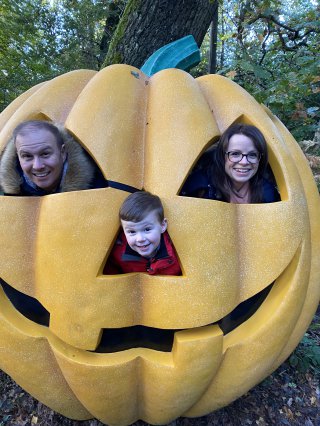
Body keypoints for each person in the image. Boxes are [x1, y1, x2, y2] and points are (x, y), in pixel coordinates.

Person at [0, 120, 106, 196]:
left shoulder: (99, 187)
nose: (37, 166)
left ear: (63, 153)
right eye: (27, 156)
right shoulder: (12, 196)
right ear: (18, 158)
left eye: (45, 154)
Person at [180, 123, 280, 203]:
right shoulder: (198, 188)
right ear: (223, 156)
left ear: (260, 159)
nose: (244, 162)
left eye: (252, 155)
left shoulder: (269, 194)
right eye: (235, 154)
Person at [104, 191, 181, 275]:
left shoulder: (177, 253)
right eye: (132, 231)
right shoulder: (118, 254)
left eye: (147, 229)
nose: (140, 239)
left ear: (162, 226)